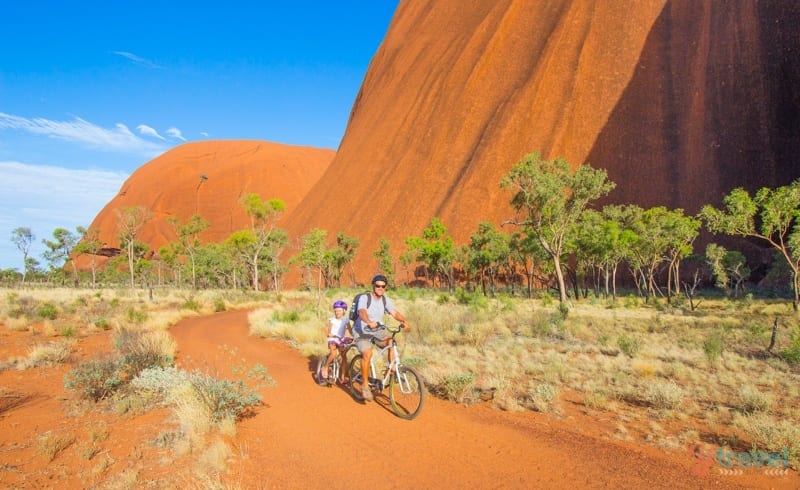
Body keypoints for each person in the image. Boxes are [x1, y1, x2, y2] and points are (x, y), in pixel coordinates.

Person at [354, 274, 410, 401]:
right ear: (373, 285)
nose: (380, 288)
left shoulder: (385, 300)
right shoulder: (365, 298)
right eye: (377, 285)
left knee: (391, 341)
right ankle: (364, 385)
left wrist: (404, 321)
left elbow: (394, 312)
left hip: (377, 330)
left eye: (383, 286)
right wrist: (368, 321)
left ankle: (391, 370)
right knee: (367, 353)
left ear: (385, 287)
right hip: (361, 331)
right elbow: (361, 312)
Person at [320, 300, 353, 384]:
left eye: (339, 310)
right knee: (334, 353)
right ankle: (326, 367)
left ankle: (342, 376)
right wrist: (330, 334)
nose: (337, 312)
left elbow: (349, 329)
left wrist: (352, 336)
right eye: (336, 311)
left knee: (344, 356)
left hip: (341, 340)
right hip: (333, 339)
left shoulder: (346, 320)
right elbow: (328, 331)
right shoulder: (332, 320)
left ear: (344, 311)